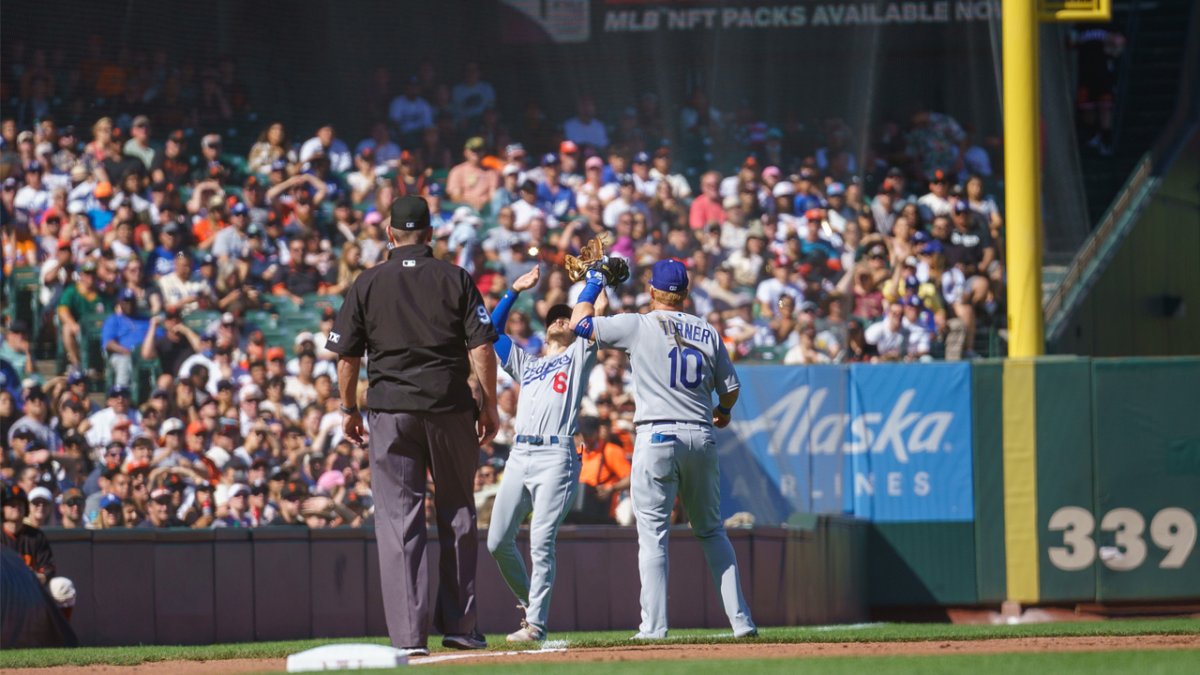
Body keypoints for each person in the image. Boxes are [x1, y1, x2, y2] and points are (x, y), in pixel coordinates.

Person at [329, 195, 499, 656]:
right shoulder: (456, 277)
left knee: (400, 523)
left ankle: (409, 638)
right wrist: (489, 405)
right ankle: (462, 626)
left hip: (391, 412)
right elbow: (482, 349)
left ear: (390, 234)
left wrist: (348, 409)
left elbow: (347, 358)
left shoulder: (367, 282)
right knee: (459, 514)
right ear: (430, 234)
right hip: (449, 407)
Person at [571, 258, 756, 640]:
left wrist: (593, 282)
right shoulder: (706, 330)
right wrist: (722, 411)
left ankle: (654, 628)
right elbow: (732, 388)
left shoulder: (638, 324)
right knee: (711, 532)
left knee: (653, 534)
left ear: (653, 291)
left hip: (657, 435)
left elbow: (580, 323)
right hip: (701, 436)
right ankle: (742, 623)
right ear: (685, 293)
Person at [485, 264, 608, 642]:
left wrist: (595, 280)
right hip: (520, 455)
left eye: (566, 318)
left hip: (557, 456)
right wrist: (514, 290)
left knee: (540, 539)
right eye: (555, 318)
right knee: (497, 541)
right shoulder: (529, 363)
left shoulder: (580, 355)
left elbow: (591, 313)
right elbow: (490, 332)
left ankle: (535, 624)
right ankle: (531, 602)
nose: (560, 321)